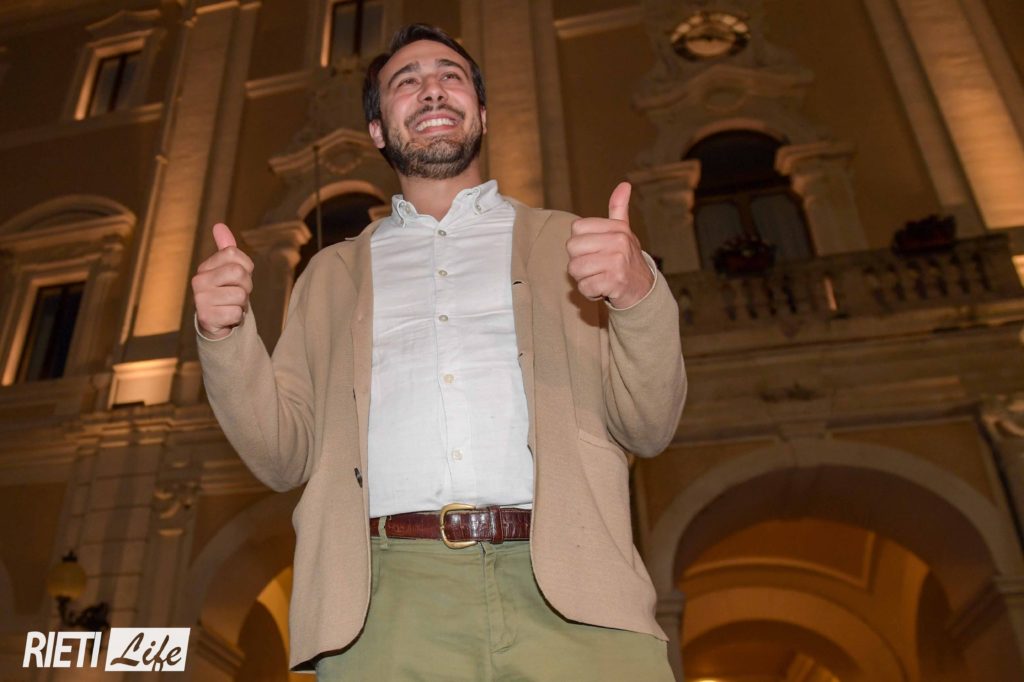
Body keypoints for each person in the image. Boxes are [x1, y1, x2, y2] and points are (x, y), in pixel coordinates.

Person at [192, 23, 686, 681]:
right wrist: (223, 336)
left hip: (582, 596)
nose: (431, 89)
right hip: (386, 611)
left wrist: (638, 295)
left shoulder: (575, 246)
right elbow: (283, 458)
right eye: (407, 81)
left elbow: (649, 426)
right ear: (377, 130)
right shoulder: (329, 277)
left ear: (482, 113)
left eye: (451, 76)